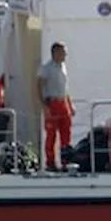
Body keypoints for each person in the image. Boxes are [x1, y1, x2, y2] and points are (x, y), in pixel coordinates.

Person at [37, 42, 73, 172]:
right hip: (52, 103)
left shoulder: (63, 66)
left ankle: (65, 161)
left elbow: (65, 88)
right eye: (63, 52)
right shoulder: (46, 68)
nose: (65, 55)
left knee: (66, 133)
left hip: (63, 102)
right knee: (51, 134)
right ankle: (50, 162)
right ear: (55, 53)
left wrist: (70, 104)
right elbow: (39, 86)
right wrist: (44, 107)